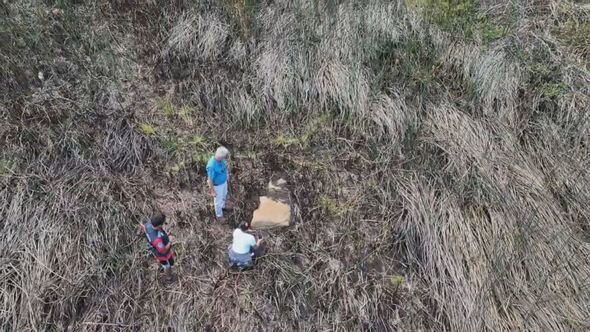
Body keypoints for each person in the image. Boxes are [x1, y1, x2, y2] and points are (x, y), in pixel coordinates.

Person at [140, 213, 174, 281]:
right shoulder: (157, 240)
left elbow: (142, 225)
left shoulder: (148, 225)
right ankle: (169, 277)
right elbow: (163, 251)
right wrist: (170, 241)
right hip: (162, 255)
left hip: (154, 248)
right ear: (159, 225)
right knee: (167, 265)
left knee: (163, 261)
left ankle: (160, 263)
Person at [206, 146, 229, 221]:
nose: (224, 159)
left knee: (224, 194)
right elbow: (210, 180)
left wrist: (227, 177)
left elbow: (225, 168)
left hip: (224, 182)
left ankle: (223, 207)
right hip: (218, 186)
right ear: (220, 157)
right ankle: (219, 216)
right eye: (224, 157)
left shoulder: (221, 161)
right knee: (218, 201)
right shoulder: (211, 165)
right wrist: (212, 191)